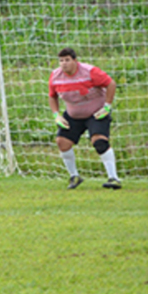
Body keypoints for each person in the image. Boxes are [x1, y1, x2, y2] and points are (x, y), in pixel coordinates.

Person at [49, 47, 120, 189]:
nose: (64, 63)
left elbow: (110, 83)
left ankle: (114, 178)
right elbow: (52, 96)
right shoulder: (55, 76)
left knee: (99, 142)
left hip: (96, 113)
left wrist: (107, 106)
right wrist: (56, 115)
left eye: (67, 60)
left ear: (75, 61)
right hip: (73, 115)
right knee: (62, 142)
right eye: (61, 61)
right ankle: (74, 177)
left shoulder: (90, 72)